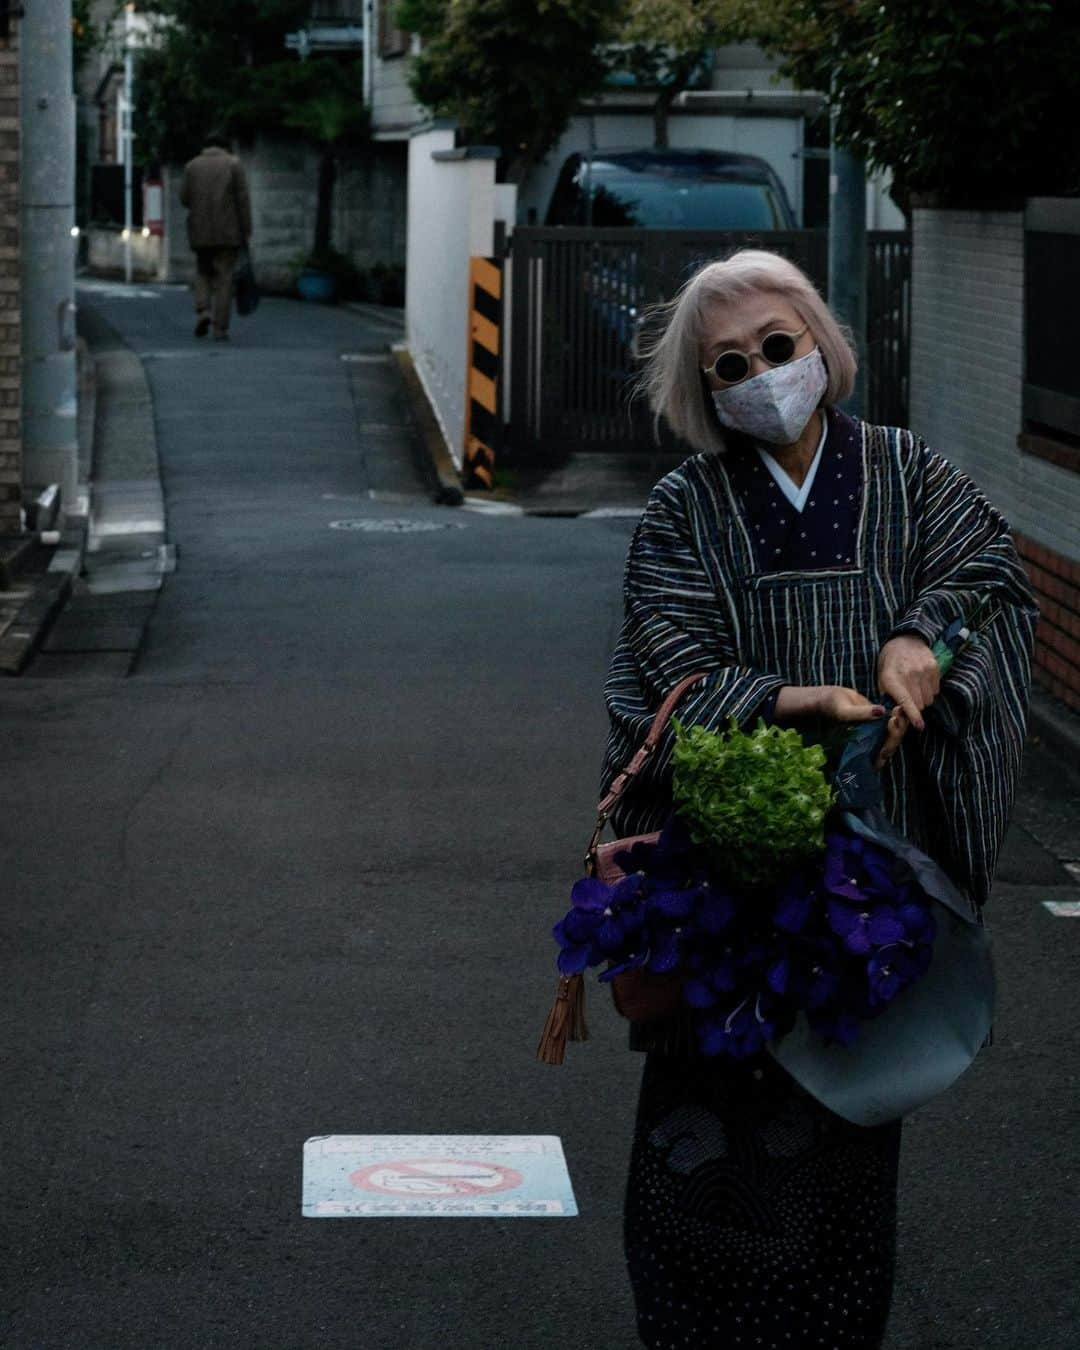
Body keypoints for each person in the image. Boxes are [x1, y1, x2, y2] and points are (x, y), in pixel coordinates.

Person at [602, 250, 1037, 1349]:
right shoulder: (683, 506)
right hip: (727, 875)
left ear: (823, 347)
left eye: (777, 347)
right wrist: (791, 700)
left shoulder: (909, 471)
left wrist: (918, 640)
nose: (759, 374)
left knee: (844, 1121)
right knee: (703, 1129)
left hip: (865, 872)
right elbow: (666, 653)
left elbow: (985, 573)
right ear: (705, 394)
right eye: (729, 366)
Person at [180, 132, 252, 341]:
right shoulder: (233, 164)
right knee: (224, 279)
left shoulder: (192, 166)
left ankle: (203, 310)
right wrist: (246, 230)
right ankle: (220, 328)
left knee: (202, 272)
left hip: (200, 232)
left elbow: (184, 199)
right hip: (228, 233)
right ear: (226, 146)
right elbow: (242, 200)